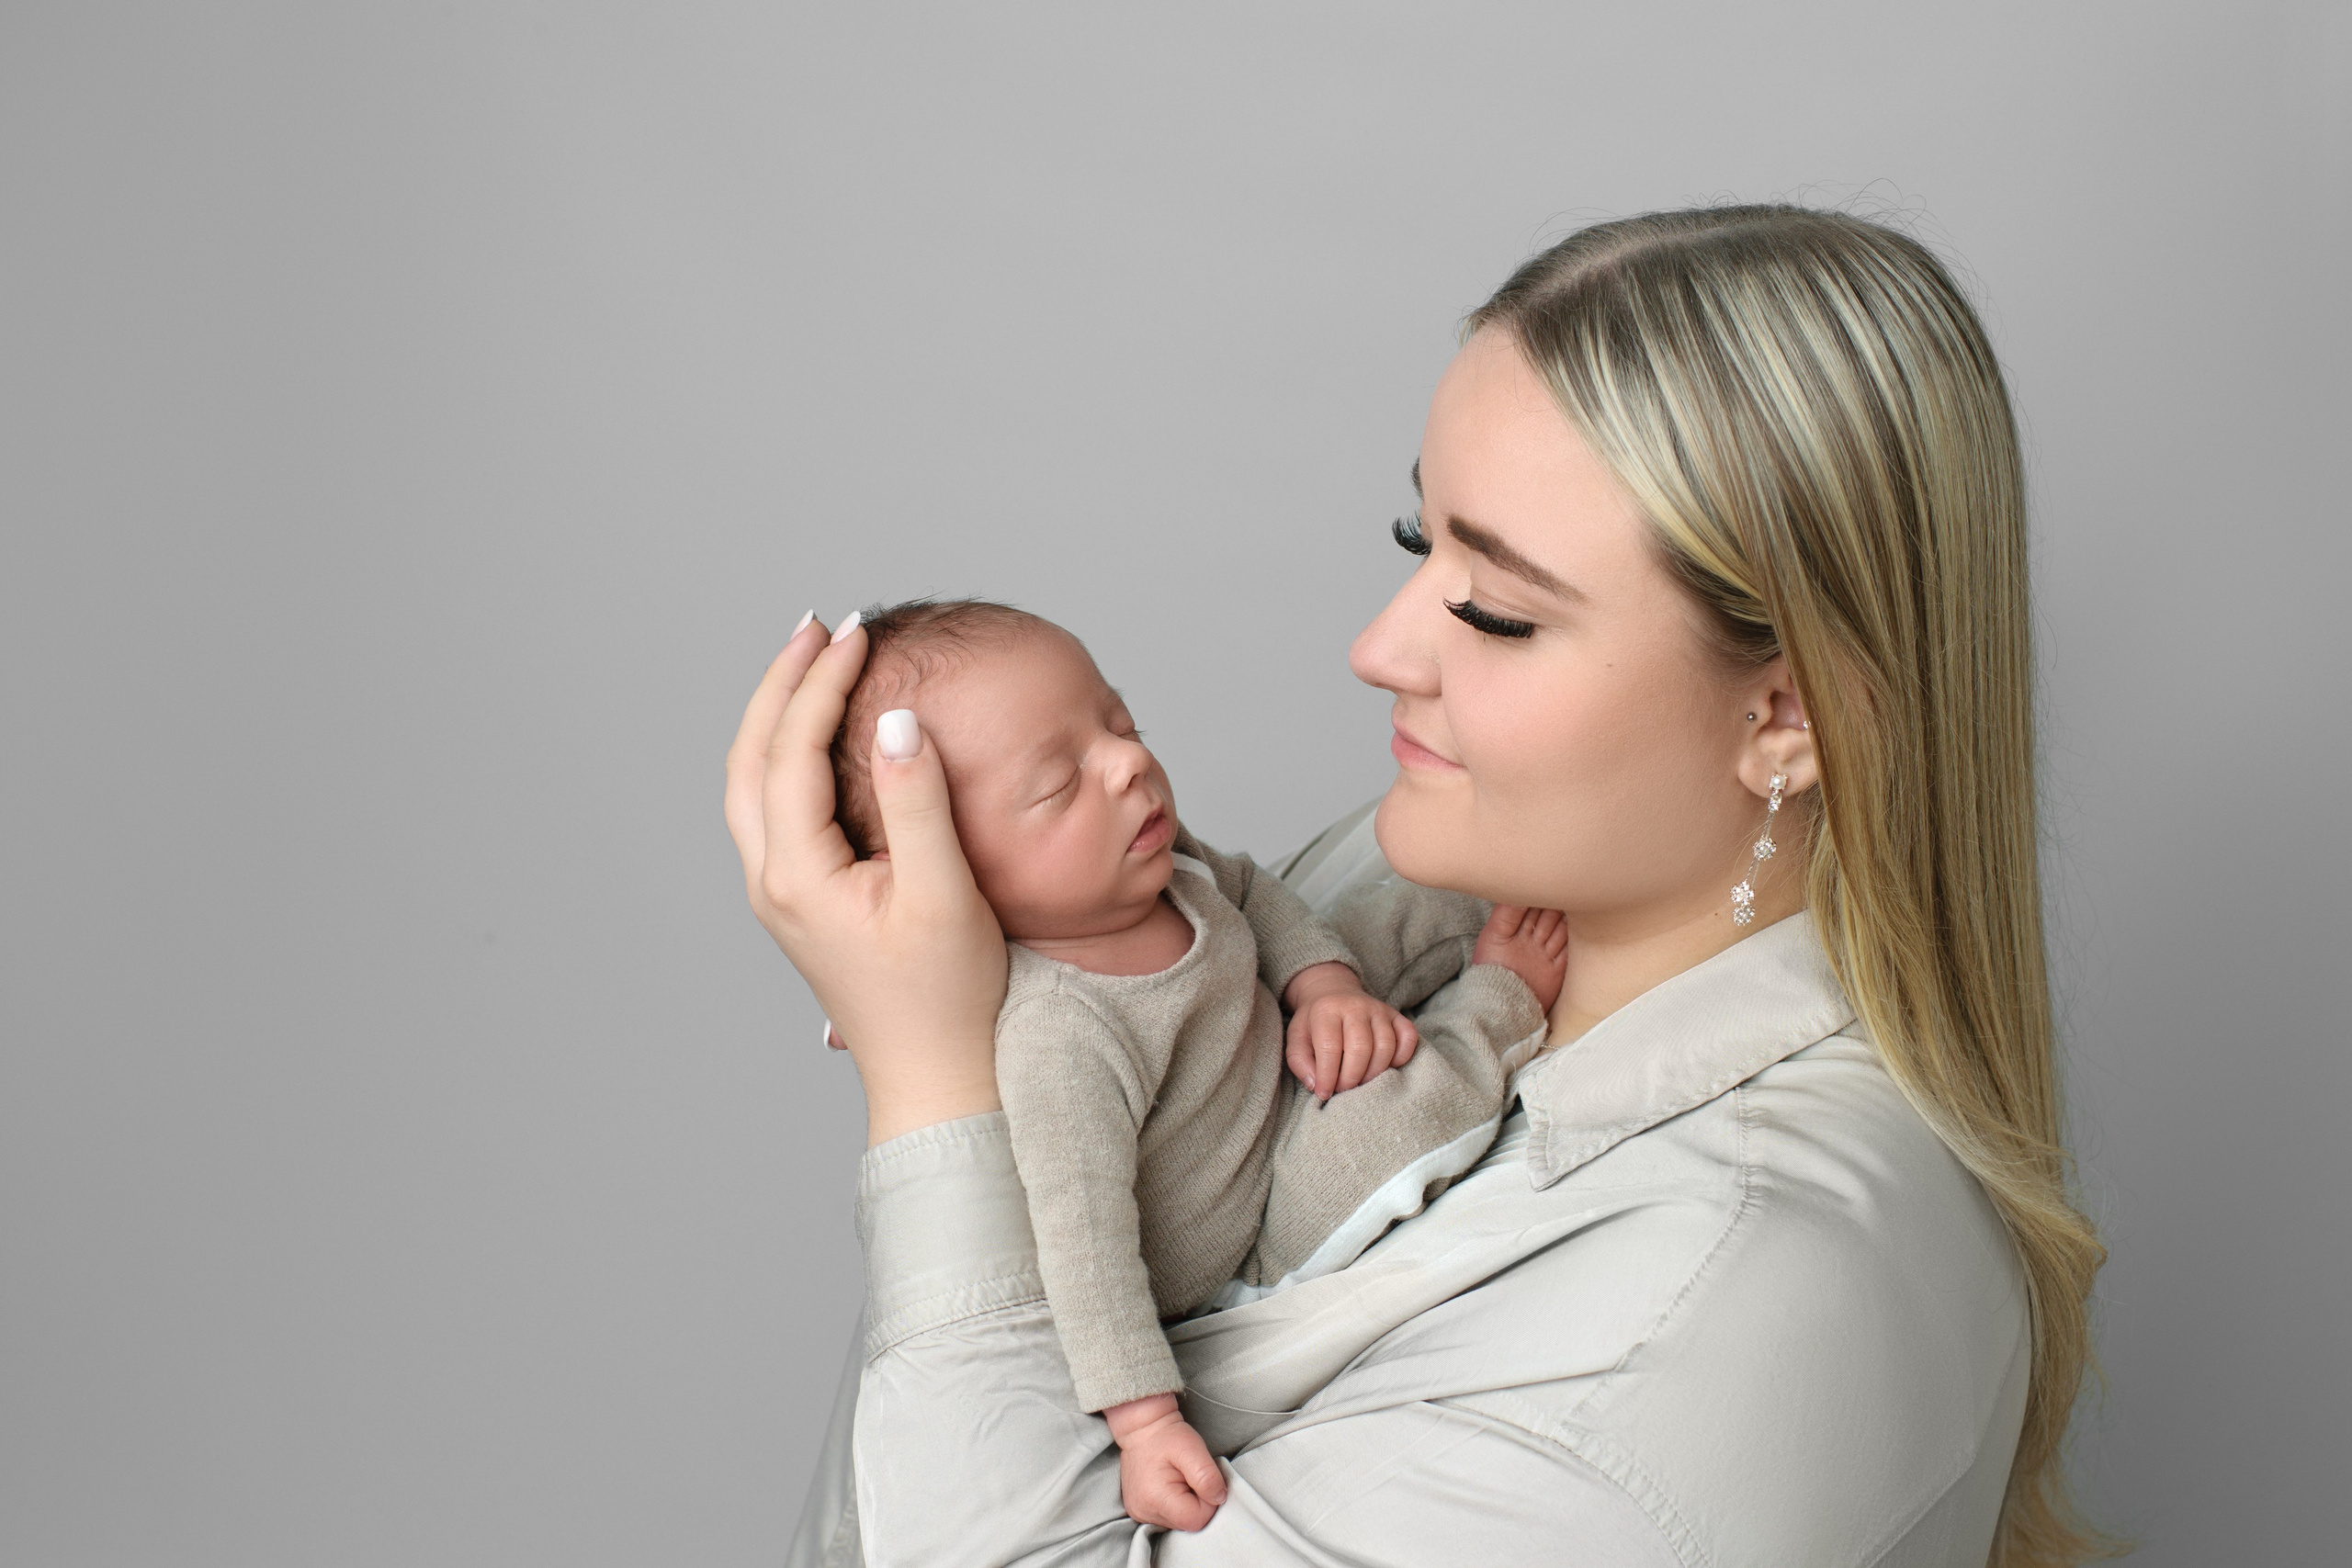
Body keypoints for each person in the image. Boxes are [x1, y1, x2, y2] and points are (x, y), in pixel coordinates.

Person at [726, 204, 2110, 1566]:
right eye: (1418, 543)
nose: (1379, 645)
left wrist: (932, 1099)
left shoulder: (1717, 1323)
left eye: (1498, 607)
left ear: (1785, 717)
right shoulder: (1402, 870)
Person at [822, 596, 1567, 1529]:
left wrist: (1324, 988)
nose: (1127, 763)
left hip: (1269, 1041)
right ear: (951, 880)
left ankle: (1527, 898)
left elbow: (1252, 893)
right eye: (1058, 786)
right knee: (1388, 1129)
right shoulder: (1059, 1036)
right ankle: (1500, 1002)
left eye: (1119, 723)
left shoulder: (1160, 860)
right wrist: (1142, 1423)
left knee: (1395, 907)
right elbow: (1084, 1251)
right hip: (1253, 1214)